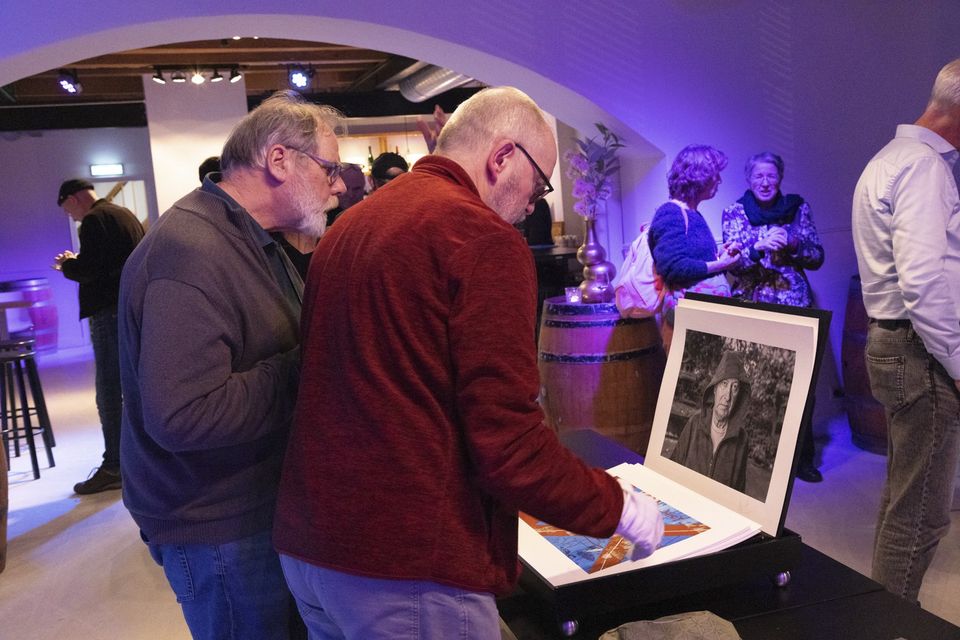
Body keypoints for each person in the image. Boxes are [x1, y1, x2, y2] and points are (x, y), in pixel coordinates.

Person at [273, 86, 664, 639]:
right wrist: (617, 507)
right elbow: (508, 443)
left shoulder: (351, 227)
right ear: (503, 157)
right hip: (405, 563)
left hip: (312, 547)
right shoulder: (480, 237)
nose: (534, 204)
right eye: (540, 183)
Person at [119, 90, 345, 639]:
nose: (338, 185)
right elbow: (182, 415)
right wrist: (311, 365)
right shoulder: (192, 248)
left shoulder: (245, 238)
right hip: (218, 525)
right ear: (278, 160)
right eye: (330, 168)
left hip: (245, 512)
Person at [852, 58, 960, 604]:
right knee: (921, 516)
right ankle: (892, 626)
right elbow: (923, 285)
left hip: (900, 347)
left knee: (904, 503)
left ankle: (882, 616)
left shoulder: (890, 158)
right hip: (921, 354)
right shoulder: (923, 167)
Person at [721, 152, 825, 483]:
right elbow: (731, 265)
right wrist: (758, 246)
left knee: (801, 383)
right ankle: (759, 458)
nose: (765, 183)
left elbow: (817, 255)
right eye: (758, 178)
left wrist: (794, 243)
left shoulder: (797, 208)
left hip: (795, 303)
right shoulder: (734, 212)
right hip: (754, 303)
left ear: (779, 178)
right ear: (749, 181)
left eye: (771, 176)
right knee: (757, 382)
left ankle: (803, 458)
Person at [53, 178, 144, 495]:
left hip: (108, 313)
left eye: (68, 208)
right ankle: (136, 462)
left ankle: (113, 466)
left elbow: (91, 270)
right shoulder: (124, 215)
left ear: (75, 198)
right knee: (132, 386)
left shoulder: (93, 220)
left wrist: (67, 265)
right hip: (130, 308)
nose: (72, 216)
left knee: (108, 390)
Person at [648, 145, 741, 349]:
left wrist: (721, 255)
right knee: (693, 380)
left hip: (702, 323)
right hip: (688, 325)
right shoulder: (670, 213)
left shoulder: (693, 214)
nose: (719, 180)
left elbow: (693, 260)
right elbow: (673, 267)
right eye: (715, 174)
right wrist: (721, 265)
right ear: (699, 177)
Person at [669, 350, 751, 492]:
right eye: (724, 384)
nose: (728, 396)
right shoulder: (694, 424)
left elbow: (738, 493)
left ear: (739, 396)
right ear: (714, 389)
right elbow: (671, 470)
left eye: (735, 388)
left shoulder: (742, 440)